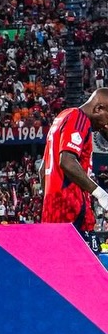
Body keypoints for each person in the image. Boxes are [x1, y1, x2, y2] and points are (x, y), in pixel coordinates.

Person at [41, 88, 108, 250]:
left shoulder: (62, 116)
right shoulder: (80, 118)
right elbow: (67, 161)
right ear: (98, 108)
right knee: (90, 265)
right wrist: (101, 194)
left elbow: (42, 170)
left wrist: (53, 204)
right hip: (73, 213)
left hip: (53, 214)